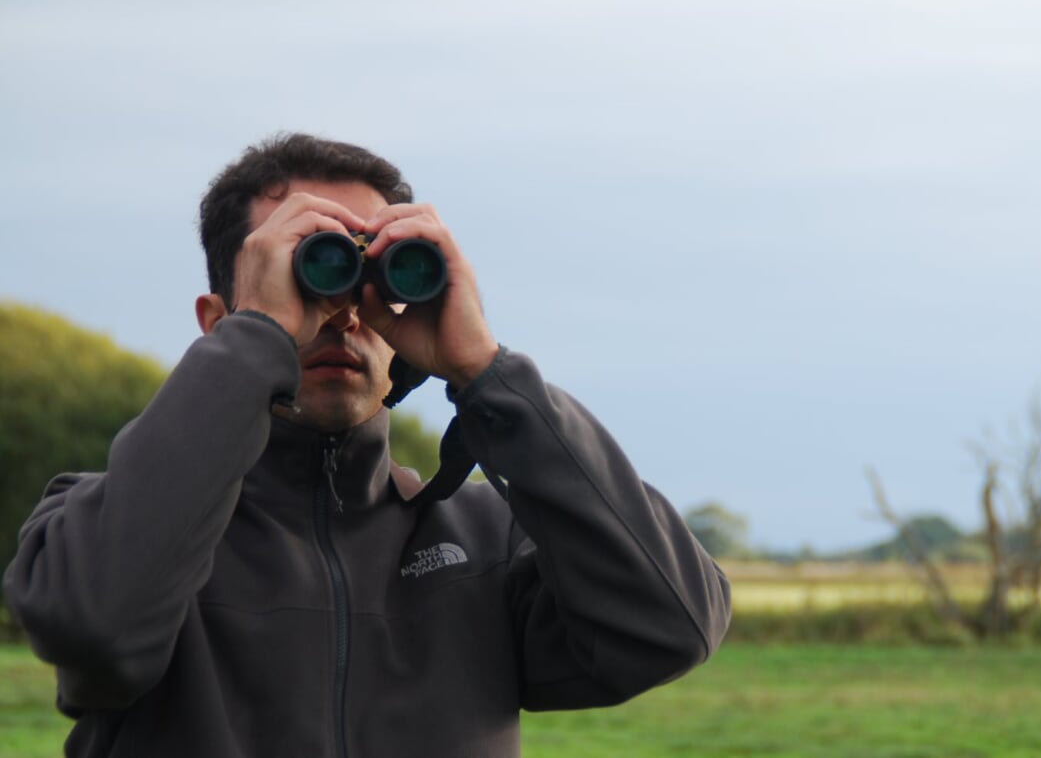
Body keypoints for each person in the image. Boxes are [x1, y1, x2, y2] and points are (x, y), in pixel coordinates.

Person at [3, 133, 732, 757]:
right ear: (219, 320)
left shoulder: (484, 541)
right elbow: (96, 631)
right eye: (308, 272)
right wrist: (257, 344)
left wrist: (485, 369)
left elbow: (667, 627)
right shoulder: (106, 523)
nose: (342, 316)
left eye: (372, 272)